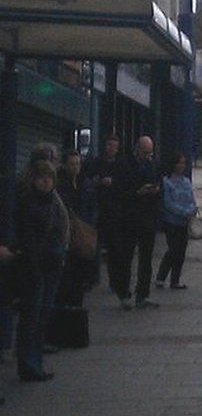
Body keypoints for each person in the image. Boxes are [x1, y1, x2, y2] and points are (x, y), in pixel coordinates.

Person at [14, 160, 69, 381]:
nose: (46, 182)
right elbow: (26, 238)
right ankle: (27, 364)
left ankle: (35, 362)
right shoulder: (28, 204)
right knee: (32, 316)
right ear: (34, 180)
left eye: (49, 178)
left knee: (43, 314)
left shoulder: (55, 202)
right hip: (34, 266)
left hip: (53, 263)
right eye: (41, 178)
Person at [109, 136, 162, 310]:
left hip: (147, 219)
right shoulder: (124, 165)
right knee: (125, 257)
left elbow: (158, 185)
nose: (147, 155)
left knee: (146, 260)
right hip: (128, 219)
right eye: (145, 152)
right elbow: (117, 192)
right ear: (137, 149)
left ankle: (142, 294)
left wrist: (155, 191)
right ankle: (123, 293)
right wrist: (137, 193)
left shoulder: (152, 165)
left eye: (150, 152)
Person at [56, 150, 98, 309]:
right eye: (72, 164)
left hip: (83, 235)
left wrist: (90, 223)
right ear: (65, 165)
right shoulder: (60, 185)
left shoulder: (85, 184)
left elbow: (93, 205)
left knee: (79, 277)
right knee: (67, 277)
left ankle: (75, 307)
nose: (75, 167)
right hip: (67, 235)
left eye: (78, 164)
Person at [85, 134, 123, 288]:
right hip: (98, 207)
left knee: (114, 247)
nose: (110, 148)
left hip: (113, 210)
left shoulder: (120, 165)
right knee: (95, 244)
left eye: (113, 146)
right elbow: (88, 181)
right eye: (108, 145)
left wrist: (114, 182)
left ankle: (114, 280)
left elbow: (124, 183)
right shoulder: (96, 163)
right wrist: (98, 182)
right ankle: (93, 278)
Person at [155, 153, 197, 290]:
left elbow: (191, 199)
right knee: (173, 250)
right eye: (179, 163)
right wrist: (184, 212)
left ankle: (175, 280)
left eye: (184, 163)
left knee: (181, 251)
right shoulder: (166, 182)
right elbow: (168, 203)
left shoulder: (186, 181)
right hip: (171, 221)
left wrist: (191, 210)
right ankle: (161, 277)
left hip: (184, 222)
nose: (182, 166)